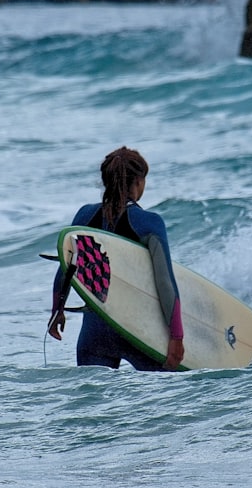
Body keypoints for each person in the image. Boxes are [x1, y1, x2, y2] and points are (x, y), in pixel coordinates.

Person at [48, 147, 185, 371]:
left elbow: (66, 268)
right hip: (137, 331)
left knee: (94, 404)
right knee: (157, 403)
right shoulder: (149, 222)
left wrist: (57, 311)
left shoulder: (84, 216)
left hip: (94, 333)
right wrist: (176, 337)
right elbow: (165, 284)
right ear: (139, 181)